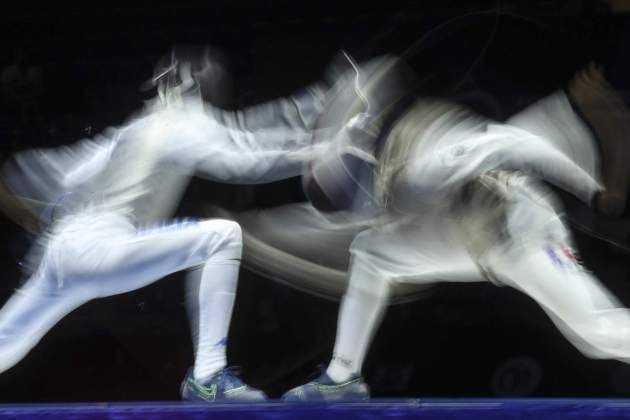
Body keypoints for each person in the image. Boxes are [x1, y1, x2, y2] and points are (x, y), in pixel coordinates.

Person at [273, 58, 630, 401]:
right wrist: (272, 229)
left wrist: (593, 190)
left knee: (595, 332)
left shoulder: (426, 160)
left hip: (516, 228)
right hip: (463, 236)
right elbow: (341, 219)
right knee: (371, 252)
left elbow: (513, 142)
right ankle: (341, 378)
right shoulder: (385, 169)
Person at [0, 46, 328, 402]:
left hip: (62, 250)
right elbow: (247, 156)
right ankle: (208, 376)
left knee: (6, 340)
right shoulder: (184, 119)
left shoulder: (132, 127)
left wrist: (311, 106)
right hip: (102, 250)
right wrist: (316, 151)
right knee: (222, 236)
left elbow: (64, 177)